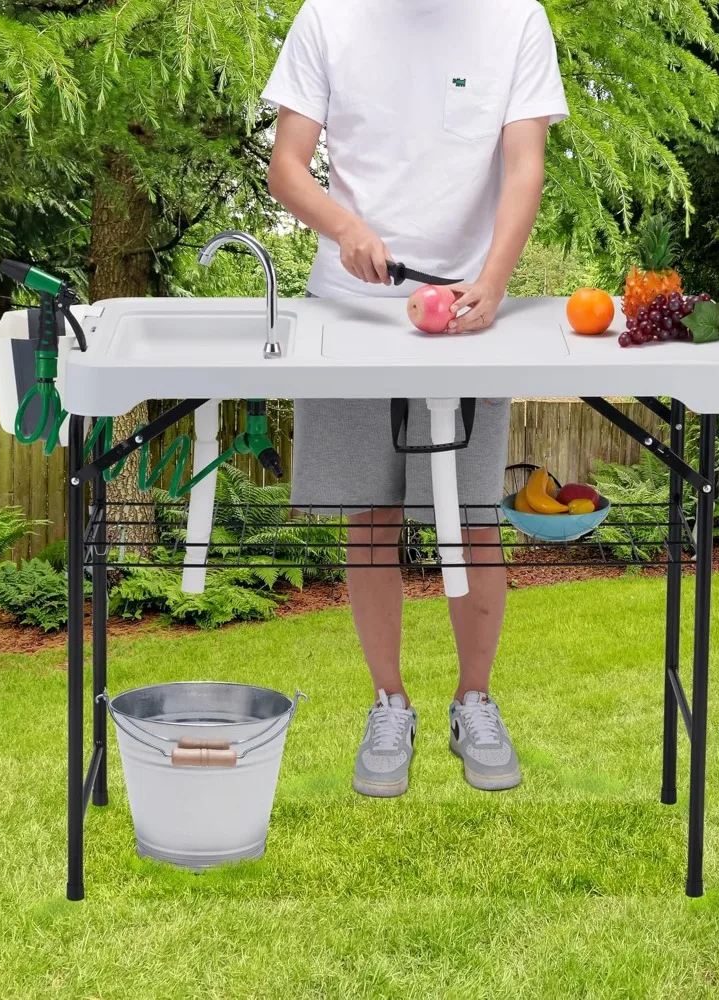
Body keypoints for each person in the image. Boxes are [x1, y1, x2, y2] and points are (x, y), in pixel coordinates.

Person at [263, 0, 568, 796]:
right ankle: (388, 702)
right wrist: (344, 226)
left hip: (471, 306)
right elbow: (287, 164)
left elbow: (524, 164)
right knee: (372, 512)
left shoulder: (517, 19)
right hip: (350, 306)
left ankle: (476, 700)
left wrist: (494, 284)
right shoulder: (326, 18)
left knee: (473, 516)